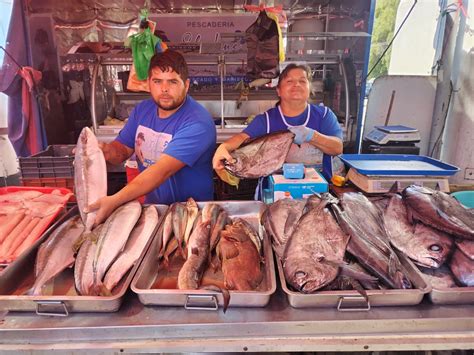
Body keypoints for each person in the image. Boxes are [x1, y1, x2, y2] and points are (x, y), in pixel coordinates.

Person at [90, 50, 216, 225]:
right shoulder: (143, 110)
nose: (164, 89)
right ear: (149, 83)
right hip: (155, 211)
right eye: (157, 81)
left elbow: (162, 171)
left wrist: (115, 199)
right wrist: (105, 151)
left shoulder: (198, 122)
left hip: (193, 215)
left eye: (172, 82)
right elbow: (122, 150)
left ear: (186, 85)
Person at [213, 63, 343, 182]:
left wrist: (312, 136)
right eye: (290, 81)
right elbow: (242, 138)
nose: (296, 85)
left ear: (310, 89)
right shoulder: (266, 120)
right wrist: (223, 147)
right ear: (278, 90)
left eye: (302, 81)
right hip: (275, 192)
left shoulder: (324, 115)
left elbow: (337, 148)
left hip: (319, 189)